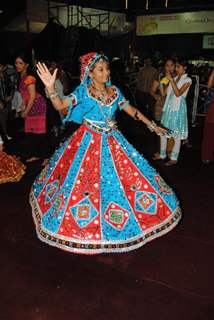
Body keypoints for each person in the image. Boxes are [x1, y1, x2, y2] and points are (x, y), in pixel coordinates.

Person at [30, 52, 181, 254]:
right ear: (90, 73)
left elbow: (132, 110)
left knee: (122, 180)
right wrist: (50, 88)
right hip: (88, 142)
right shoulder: (83, 91)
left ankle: (119, 221)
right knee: (84, 182)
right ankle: (88, 223)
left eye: (107, 68)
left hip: (113, 140)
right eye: (100, 69)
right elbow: (61, 106)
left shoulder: (114, 91)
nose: (106, 72)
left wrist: (152, 125)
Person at [153, 58, 192, 166]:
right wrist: (162, 81)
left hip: (178, 109)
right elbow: (164, 93)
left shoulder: (188, 80)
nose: (176, 68)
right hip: (168, 108)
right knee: (163, 132)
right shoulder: (174, 78)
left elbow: (178, 93)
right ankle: (162, 154)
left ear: (185, 68)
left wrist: (171, 80)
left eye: (178, 67)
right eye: (176, 66)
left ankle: (174, 158)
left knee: (176, 135)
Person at [15, 52, 50, 162]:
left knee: (39, 132)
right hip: (30, 104)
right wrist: (22, 107)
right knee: (31, 132)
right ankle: (36, 154)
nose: (17, 65)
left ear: (26, 65)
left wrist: (26, 111)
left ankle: (47, 157)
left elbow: (33, 96)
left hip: (37, 105)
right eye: (16, 63)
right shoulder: (21, 76)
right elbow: (24, 96)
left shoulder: (29, 77)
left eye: (20, 63)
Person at [201, 69, 214, 164]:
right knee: (208, 137)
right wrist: (213, 73)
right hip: (211, 116)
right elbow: (209, 86)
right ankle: (206, 156)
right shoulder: (212, 89)